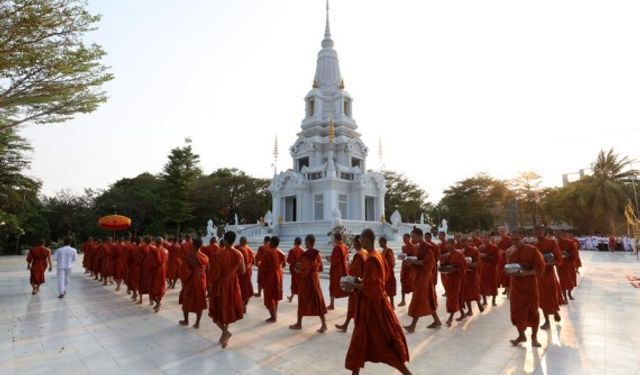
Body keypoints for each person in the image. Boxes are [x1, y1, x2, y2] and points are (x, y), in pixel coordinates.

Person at [345, 228, 412, 375]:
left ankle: (407, 373)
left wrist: (354, 285)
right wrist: (362, 281)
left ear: (368, 239)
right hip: (370, 305)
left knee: (383, 345)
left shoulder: (372, 259)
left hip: (373, 308)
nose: (360, 242)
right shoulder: (378, 255)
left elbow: (373, 287)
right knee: (359, 342)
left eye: (361, 239)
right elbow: (382, 277)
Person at [507, 228, 545, 347]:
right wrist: (509, 272)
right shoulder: (509, 251)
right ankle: (521, 335)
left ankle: (534, 337)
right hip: (516, 285)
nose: (514, 241)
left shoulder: (532, 250)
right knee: (516, 312)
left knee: (533, 311)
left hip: (529, 285)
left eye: (517, 239)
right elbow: (508, 267)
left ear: (522, 237)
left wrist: (526, 273)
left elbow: (540, 267)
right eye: (512, 239)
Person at [208, 231, 246, 348]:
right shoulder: (239, 254)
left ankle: (225, 332)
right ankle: (224, 335)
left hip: (221, 284)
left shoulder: (218, 255)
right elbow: (243, 271)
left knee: (216, 312)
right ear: (234, 240)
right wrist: (232, 272)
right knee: (228, 309)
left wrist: (209, 287)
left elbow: (214, 274)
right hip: (233, 284)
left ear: (224, 240)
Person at [404, 227, 441, 332]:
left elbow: (430, 264)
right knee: (427, 299)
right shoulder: (418, 247)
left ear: (420, 236)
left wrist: (414, 262)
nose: (412, 239)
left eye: (413, 237)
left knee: (418, 299)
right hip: (418, 276)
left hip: (424, 277)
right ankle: (437, 320)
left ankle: (412, 326)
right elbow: (418, 261)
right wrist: (410, 263)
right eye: (411, 237)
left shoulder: (428, 248)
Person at [289, 234, 328, 333]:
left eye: (306, 241)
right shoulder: (317, 254)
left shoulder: (307, 255)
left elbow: (304, 272)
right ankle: (324, 324)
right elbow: (321, 268)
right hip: (315, 280)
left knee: (302, 300)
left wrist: (298, 270)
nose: (305, 243)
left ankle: (299, 324)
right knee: (317, 302)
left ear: (308, 242)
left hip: (307, 281)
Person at [336, 235, 368, 332]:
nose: (353, 244)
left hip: (356, 284)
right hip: (362, 282)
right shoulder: (365, 252)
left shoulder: (359, 255)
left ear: (359, 242)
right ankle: (345, 325)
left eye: (354, 242)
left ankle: (360, 330)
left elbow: (354, 271)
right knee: (352, 307)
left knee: (356, 307)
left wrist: (349, 266)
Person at [534, 227, 563, 329]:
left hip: (549, 274)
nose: (539, 234)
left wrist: (549, 262)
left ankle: (555, 311)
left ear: (544, 233)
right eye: (537, 232)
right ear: (535, 233)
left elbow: (558, 257)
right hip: (539, 276)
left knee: (552, 295)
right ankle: (547, 321)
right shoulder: (534, 246)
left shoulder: (551, 243)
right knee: (542, 298)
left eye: (541, 232)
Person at [179, 237, 209, 329]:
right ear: (201, 246)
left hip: (190, 281)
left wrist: (183, 282)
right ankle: (197, 323)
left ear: (193, 246)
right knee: (199, 301)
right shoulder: (205, 257)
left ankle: (186, 321)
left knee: (186, 300)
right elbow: (207, 270)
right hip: (201, 281)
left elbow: (184, 271)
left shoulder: (189, 257)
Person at [439, 242, 467, 326]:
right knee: (454, 297)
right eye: (447, 244)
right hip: (449, 278)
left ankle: (450, 319)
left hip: (457, 279)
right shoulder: (447, 254)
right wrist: (442, 266)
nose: (448, 246)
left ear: (453, 245)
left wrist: (455, 269)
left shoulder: (459, 254)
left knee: (453, 298)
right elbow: (444, 264)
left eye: (450, 244)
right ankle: (462, 314)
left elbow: (464, 267)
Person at [262, 236, 285, 322]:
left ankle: (273, 316)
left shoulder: (268, 253)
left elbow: (263, 267)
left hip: (270, 276)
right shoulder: (280, 252)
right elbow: (284, 264)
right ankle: (274, 313)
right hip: (278, 274)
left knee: (269, 296)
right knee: (275, 295)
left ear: (271, 243)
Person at [461, 237, 484, 315]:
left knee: (475, 290)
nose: (464, 243)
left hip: (473, 274)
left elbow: (477, 263)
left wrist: (469, 264)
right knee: (466, 292)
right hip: (465, 275)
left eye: (465, 241)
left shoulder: (474, 251)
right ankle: (470, 310)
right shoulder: (462, 252)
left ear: (468, 241)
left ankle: (478, 303)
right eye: (462, 242)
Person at [327, 233, 350, 310]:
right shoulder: (345, 247)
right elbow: (346, 259)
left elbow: (334, 260)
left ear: (336, 239)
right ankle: (350, 303)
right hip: (344, 269)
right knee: (345, 286)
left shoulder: (337, 247)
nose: (334, 240)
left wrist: (329, 259)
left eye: (334, 239)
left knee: (333, 286)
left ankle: (332, 304)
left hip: (337, 270)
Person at [557, 231, 579, 302]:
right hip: (560, 265)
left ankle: (569, 294)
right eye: (556, 234)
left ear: (563, 234)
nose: (558, 235)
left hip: (569, 263)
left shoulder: (569, 242)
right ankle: (565, 297)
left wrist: (568, 255)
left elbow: (575, 252)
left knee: (570, 280)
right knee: (562, 280)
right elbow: (553, 252)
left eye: (559, 234)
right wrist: (560, 253)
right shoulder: (554, 243)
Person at [479, 235, 500, 307]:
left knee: (493, 284)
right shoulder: (480, 247)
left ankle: (493, 301)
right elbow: (478, 258)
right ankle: (484, 301)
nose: (484, 239)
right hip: (482, 268)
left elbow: (497, 258)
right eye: (483, 238)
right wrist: (479, 256)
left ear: (489, 238)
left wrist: (486, 255)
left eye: (486, 237)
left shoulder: (494, 247)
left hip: (492, 268)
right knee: (482, 284)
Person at [236, 236, 255, 311]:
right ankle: (244, 305)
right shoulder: (249, 249)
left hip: (240, 273)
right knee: (246, 289)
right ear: (246, 242)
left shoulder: (236, 248)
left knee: (240, 289)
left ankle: (242, 305)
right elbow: (253, 262)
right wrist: (247, 266)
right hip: (247, 272)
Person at [150, 237, 168, 313]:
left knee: (153, 288)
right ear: (162, 243)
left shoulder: (155, 250)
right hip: (163, 270)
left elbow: (156, 262)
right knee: (161, 286)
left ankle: (158, 303)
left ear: (156, 243)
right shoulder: (166, 250)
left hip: (157, 270)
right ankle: (158, 303)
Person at [380, 237, 397, 309]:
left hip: (389, 273)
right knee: (385, 289)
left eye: (380, 242)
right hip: (385, 273)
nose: (380, 244)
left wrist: (388, 272)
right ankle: (387, 305)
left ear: (384, 242)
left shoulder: (388, 251)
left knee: (390, 290)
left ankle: (392, 305)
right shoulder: (383, 251)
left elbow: (392, 263)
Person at [286, 237, 304, 302]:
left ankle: (299, 299)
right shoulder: (303, 251)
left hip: (294, 270)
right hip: (301, 270)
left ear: (295, 242)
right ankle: (291, 297)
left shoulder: (292, 251)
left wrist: (286, 259)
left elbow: (289, 261)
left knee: (294, 284)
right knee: (300, 284)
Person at [398, 233, 414, 307]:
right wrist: (401, 256)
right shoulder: (403, 247)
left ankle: (413, 301)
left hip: (410, 268)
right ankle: (403, 300)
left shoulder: (413, 247)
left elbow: (414, 257)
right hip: (404, 268)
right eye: (403, 239)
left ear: (409, 238)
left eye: (405, 238)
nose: (404, 240)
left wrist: (408, 258)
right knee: (403, 284)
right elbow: (402, 256)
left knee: (412, 285)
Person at [497, 227, 513, 295]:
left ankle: (509, 291)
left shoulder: (509, 239)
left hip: (507, 259)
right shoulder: (498, 239)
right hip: (500, 260)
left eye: (503, 231)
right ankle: (506, 288)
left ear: (506, 231)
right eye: (500, 231)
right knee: (502, 275)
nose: (502, 232)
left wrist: (504, 251)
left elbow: (513, 248)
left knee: (507, 275)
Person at [138, 237, 153, 305]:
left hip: (144, 268)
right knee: (150, 284)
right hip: (151, 269)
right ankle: (151, 301)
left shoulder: (142, 247)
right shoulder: (154, 248)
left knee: (142, 283)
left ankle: (141, 300)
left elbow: (140, 258)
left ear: (144, 241)